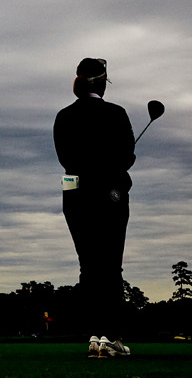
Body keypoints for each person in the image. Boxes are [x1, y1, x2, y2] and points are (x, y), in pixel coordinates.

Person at [54, 57, 136, 358]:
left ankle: (95, 337)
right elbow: (127, 158)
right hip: (109, 195)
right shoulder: (116, 114)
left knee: (88, 267)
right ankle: (110, 337)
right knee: (110, 266)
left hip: (74, 196)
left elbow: (65, 159)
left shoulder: (63, 117)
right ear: (102, 82)